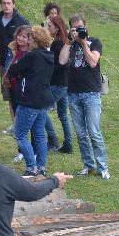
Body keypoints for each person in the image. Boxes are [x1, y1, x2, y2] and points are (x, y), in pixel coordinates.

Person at [59, 13, 110, 179]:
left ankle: (102, 167)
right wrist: (69, 41)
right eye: (74, 28)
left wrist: (83, 43)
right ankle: (88, 165)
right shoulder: (69, 43)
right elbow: (62, 61)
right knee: (81, 134)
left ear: (85, 27)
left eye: (80, 28)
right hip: (73, 93)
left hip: (91, 93)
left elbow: (93, 62)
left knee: (94, 132)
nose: (77, 31)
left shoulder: (94, 42)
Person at [6, 26, 55, 176]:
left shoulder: (32, 56)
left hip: (29, 100)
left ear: (35, 41)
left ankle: (31, 167)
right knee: (39, 134)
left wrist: (21, 72)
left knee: (20, 134)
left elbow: (13, 70)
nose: (28, 41)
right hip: (43, 100)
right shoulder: (49, 56)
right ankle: (41, 167)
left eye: (30, 38)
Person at [4, 25, 33, 162]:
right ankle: (21, 150)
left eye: (24, 36)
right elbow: (8, 67)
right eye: (19, 35)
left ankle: (31, 149)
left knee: (30, 122)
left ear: (29, 39)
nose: (20, 38)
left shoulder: (32, 52)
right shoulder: (12, 49)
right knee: (17, 119)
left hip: (26, 91)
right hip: (13, 89)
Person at [46, 15, 74, 154]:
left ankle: (53, 140)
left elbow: (62, 65)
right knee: (63, 114)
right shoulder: (63, 42)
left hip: (58, 84)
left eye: (49, 26)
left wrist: (47, 68)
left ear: (57, 28)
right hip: (65, 83)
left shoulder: (58, 44)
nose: (47, 28)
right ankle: (68, 144)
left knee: (40, 109)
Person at [0, 0, 30, 77]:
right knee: (4, 83)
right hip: (3, 59)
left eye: (9, 3)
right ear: (1, 5)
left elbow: (30, 38)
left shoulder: (22, 21)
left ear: (13, 4)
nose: (6, 6)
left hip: (17, 58)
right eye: (4, 3)